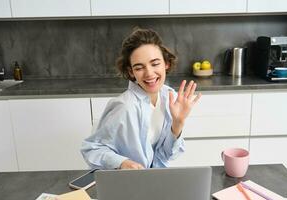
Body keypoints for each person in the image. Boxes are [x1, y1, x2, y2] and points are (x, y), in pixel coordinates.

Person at [81, 28, 201, 170]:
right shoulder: (124, 106)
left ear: (166, 63)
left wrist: (178, 123)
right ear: (131, 72)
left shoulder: (168, 97)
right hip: (125, 181)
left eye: (155, 63)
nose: (149, 73)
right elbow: (92, 149)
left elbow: (164, 156)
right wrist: (122, 163)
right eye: (139, 68)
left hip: (153, 179)